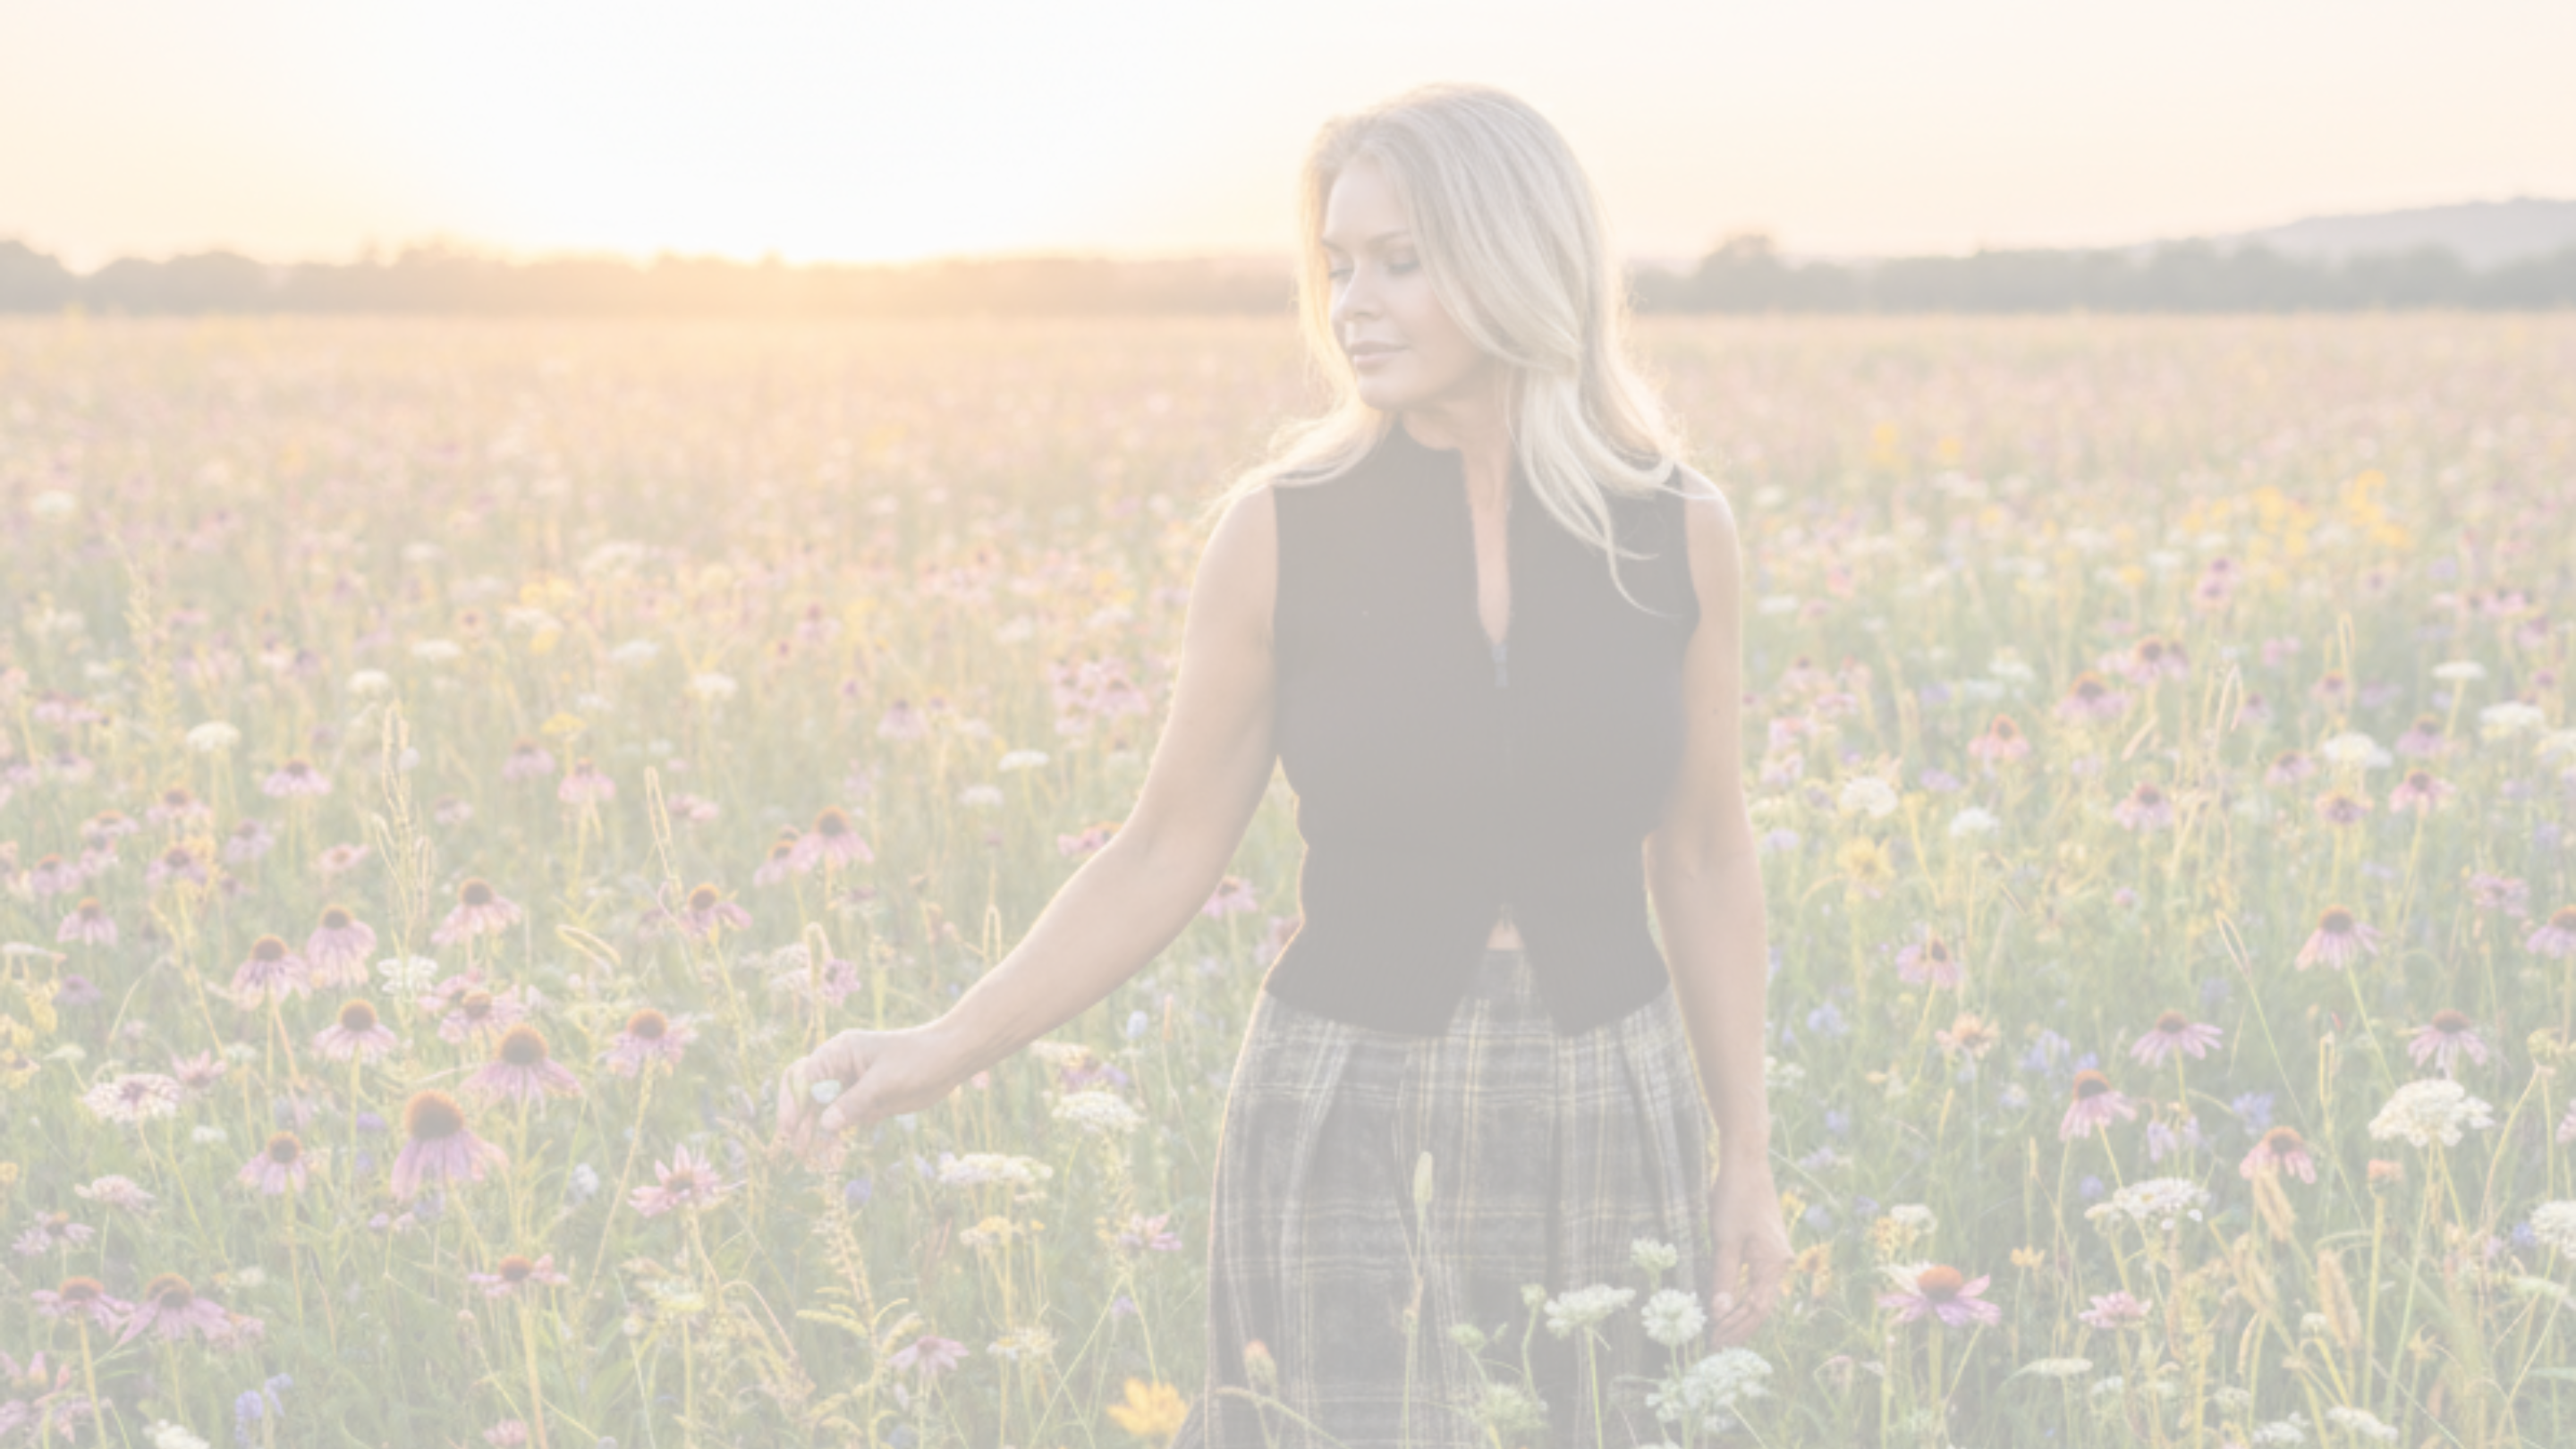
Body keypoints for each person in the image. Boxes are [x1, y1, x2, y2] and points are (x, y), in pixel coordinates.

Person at [775, 81, 1787, 1446]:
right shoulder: (1282, 531)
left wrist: (1748, 1160)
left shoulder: (1677, 531)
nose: (1353, 303)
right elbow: (1162, 852)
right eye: (1337, 266)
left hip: (1608, 1109)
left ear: (1516, 258)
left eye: (1401, 263)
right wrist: (948, 1044)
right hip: (1345, 1117)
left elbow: (1707, 853)